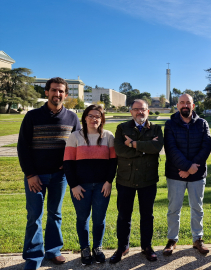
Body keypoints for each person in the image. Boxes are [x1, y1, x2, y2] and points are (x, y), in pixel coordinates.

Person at [17, 77, 81, 270]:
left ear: (66, 94)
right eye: (54, 90)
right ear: (46, 92)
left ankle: (53, 250)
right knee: (34, 215)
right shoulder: (32, 116)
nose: (57, 94)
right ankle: (34, 255)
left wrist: (68, 166)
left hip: (59, 177)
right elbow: (23, 148)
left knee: (55, 214)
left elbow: (76, 145)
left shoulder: (72, 118)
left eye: (61, 91)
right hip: (36, 176)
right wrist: (30, 174)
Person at [110, 99, 164, 263]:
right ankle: (122, 247)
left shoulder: (155, 128)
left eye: (143, 109)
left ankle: (146, 246)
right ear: (131, 111)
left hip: (148, 180)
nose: (140, 112)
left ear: (148, 111)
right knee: (123, 216)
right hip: (126, 179)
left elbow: (157, 148)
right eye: (136, 109)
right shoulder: (122, 128)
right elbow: (120, 150)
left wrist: (133, 144)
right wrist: (144, 149)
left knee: (147, 215)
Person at [63, 105, 117, 265]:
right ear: (85, 117)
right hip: (81, 186)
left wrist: (108, 182)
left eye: (98, 116)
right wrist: (73, 185)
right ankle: (85, 248)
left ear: (102, 119)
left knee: (99, 219)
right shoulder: (75, 136)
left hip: (102, 186)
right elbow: (68, 163)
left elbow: (113, 162)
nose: (94, 119)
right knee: (82, 218)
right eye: (91, 116)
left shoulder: (108, 136)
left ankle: (97, 248)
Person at [163, 94, 211, 256]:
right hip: (175, 174)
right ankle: (172, 240)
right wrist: (186, 167)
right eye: (182, 102)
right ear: (177, 105)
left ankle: (197, 239)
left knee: (197, 208)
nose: (185, 105)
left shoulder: (203, 123)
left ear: (193, 105)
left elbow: (206, 147)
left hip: (197, 175)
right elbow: (171, 149)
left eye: (188, 103)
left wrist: (192, 168)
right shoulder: (170, 124)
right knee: (173, 209)